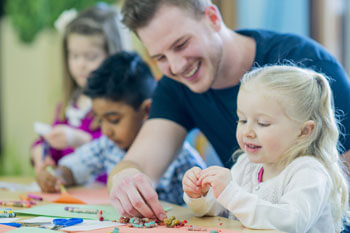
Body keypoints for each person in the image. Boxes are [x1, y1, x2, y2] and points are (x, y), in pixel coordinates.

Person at [109, 0, 350, 220]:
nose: (176, 65)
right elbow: (137, 163)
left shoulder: (307, 66)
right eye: (160, 57)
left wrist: (236, 196)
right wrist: (125, 181)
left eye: (181, 44)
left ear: (213, 17)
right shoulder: (176, 85)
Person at [183, 65, 349, 233]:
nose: (247, 131)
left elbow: (291, 224)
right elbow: (217, 208)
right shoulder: (246, 165)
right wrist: (199, 195)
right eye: (242, 120)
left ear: (304, 131)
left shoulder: (310, 173)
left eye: (262, 123)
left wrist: (230, 192)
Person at [35, 51, 206, 206]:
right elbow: (75, 167)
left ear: (147, 110)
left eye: (114, 120)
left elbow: (206, 207)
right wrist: (56, 175)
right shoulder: (108, 146)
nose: (106, 130)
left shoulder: (181, 158)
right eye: (100, 120)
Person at [30, 4, 124, 179]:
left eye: (91, 57)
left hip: (105, 194)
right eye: (74, 56)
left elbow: (122, 152)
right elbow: (52, 142)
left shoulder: (119, 105)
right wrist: (41, 153)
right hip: (72, 193)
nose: (81, 64)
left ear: (112, 56)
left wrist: (81, 141)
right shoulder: (69, 103)